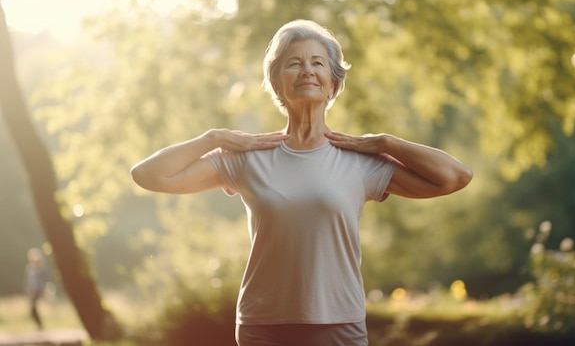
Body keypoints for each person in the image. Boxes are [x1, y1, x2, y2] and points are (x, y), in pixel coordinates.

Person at [131, 19, 473, 346]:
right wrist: (213, 138)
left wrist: (385, 143)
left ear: (332, 82)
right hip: (262, 325)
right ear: (277, 82)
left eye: (317, 63)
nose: (307, 69)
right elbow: (148, 175)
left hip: (339, 323)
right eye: (294, 63)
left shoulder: (359, 160)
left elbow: (455, 177)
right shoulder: (248, 156)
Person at [24, 247, 47, 330]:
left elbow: (41, 281)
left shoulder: (40, 269)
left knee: (33, 309)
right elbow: (30, 281)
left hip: (37, 290)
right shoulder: (30, 268)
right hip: (32, 290)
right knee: (32, 309)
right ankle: (40, 325)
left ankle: (40, 326)